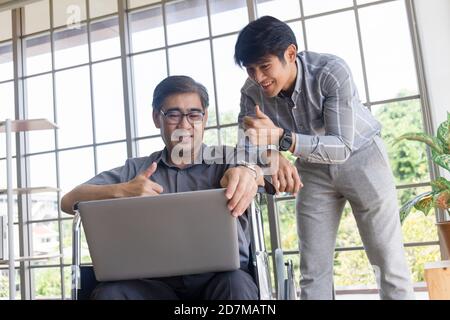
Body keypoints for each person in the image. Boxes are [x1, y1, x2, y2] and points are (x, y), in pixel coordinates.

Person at [234, 15, 415, 300]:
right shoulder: (251, 92)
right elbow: (247, 146)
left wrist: (279, 139)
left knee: (388, 264)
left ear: (290, 54)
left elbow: (341, 145)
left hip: (362, 157)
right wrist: (271, 154)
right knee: (313, 271)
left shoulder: (331, 71)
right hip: (312, 169)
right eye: (251, 69)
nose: (258, 78)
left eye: (265, 66)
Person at [61, 75, 268, 300]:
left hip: (219, 281)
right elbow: (68, 201)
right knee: (110, 294)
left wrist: (250, 172)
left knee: (237, 285)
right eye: (173, 114)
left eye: (193, 114)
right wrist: (122, 191)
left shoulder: (229, 159)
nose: (184, 124)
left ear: (205, 117)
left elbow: (270, 172)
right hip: (151, 287)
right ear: (156, 118)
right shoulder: (135, 171)